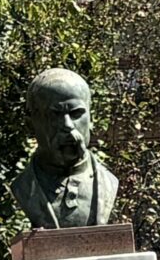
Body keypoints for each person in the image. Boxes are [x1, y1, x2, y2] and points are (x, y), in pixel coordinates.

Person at [9, 67, 120, 229]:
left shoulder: (109, 184)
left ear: (91, 118)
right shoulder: (23, 188)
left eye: (76, 113)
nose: (68, 125)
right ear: (31, 125)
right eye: (54, 115)